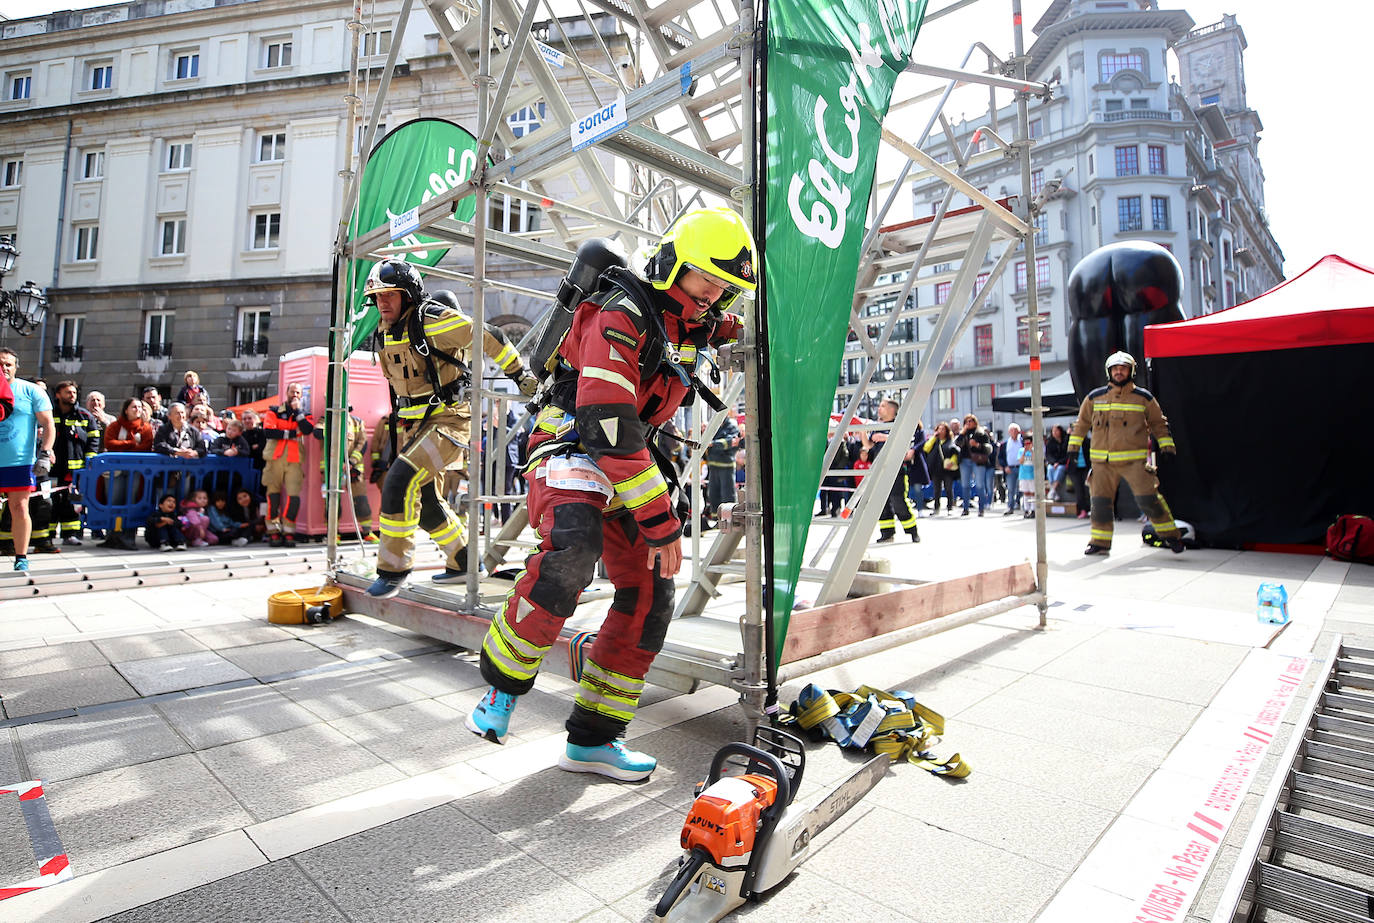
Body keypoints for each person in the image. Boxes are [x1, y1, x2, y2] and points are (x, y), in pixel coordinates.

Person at [466, 206, 752, 782]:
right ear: (673, 266)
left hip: (627, 460)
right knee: (571, 553)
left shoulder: (697, 324)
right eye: (706, 279)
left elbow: (715, 336)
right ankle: (500, 690)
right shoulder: (621, 313)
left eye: (726, 287)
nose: (713, 295)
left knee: (650, 597)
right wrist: (661, 520)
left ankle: (595, 737)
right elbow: (607, 423)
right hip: (573, 441)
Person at [359, 269, 538, 597]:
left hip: (450, 420)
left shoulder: (430, 320)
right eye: (378, 296)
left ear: (408, 294)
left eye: (390, 294)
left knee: (399, 481)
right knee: (426, 505)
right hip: (416, 427)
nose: (382, 302)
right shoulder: (386, 331)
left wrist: (519, 373)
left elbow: (490, 334)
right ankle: (464, 561)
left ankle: (392, 569)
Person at [1069, 351, 1184, 555]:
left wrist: (1167, 446)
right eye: (1115, 369)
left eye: (1123, 368)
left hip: (1134, 462)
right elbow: (1081, 425)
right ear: (1109, 372)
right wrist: (1072, 449)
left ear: (1131, 371)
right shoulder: (1094, 398)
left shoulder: (1144, 398)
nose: (1119, 372)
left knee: (1149, 500)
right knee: (1100, 504)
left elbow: (1158, 423)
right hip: (1101, 462)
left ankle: (1171, 537)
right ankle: (1100, 542)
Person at [0, 348, 55, 571]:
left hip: (19, 461)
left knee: (19, 507)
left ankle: (21, 556)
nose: (3, 368)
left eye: (8, 364)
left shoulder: (31, 391)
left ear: (16, 367)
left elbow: (48, 424)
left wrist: (44, 453)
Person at [260, 383, 314, 547]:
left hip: (294, 459)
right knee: (273, 495)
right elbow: (269, 431)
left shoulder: (304, 414)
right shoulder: (274, 411)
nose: (295, 394)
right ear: (287, 393)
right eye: (292, 391)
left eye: (298, 392)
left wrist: (298, 412)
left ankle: (289, 531)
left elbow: (306, 430)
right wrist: (290, 433)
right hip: (274, 458)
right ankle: (273, 531)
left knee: (293, 497)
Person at [48, 380, 101, 545]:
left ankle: (70, 534)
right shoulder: (49, 414)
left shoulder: (84, 416)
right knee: (49, 503)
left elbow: (94, 440)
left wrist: (89, 461)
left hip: (75, 471)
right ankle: (47, 536)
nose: (72, 396)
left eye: (74, 393)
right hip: (52, 470)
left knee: (72, 503)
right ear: (58, 395)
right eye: (68, 392)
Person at [316, 408, 377, 543]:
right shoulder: (325, 420)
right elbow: (317, 433)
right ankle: (333, 534)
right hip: (331, 469)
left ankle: (367, 532)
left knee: (361, 500)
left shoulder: (357, 422)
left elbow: (363, 443)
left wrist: (350, 462)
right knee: (332, 501)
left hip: (353, 469)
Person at [863, 398, 919, 543]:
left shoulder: (899, 424)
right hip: (879, 470)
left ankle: (912, 531)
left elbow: (905, 441)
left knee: (898, 501)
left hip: (896, 470)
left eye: (882, 406)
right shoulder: (877, 426)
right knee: (881, 503)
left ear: (892, 410)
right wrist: (862, 431)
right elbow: (868, 445)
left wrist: (885, 437)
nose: (879, 409)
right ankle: (887, 533)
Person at [703, 415, 739, 529]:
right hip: (713, 466)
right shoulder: (715, 425)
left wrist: (713, 444)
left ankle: (729, 521)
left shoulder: (732, 426)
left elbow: (730, 442)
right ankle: (718, 520)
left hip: (726, 467)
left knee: (727, 494)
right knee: (713, 495)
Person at [955, 413, 995, 517]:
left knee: (980, 485)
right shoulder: (963, 434)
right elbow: (957, 443)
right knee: (965, 485)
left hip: (978, 460)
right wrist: (962, 433)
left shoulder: (980, 433)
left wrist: (977, 445)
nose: (968, 423)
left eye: (971, 421)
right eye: (966, 422)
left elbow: (989, 448)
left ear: (975, 422)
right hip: (965, 461)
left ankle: (981, 508)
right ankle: (965, 508)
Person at [923, 422, 959, 515]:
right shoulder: (934, 441)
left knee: (948, 488)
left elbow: (955, 452)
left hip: (947, 469)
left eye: (943, 429)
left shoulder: (950, 441)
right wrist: (934, 437)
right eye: (939, 429)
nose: (941, 431)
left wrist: (952, 462)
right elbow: (926, 448)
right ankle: (936, 508)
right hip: (936, 468)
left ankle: (950, 507)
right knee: (936, 489)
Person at [1000, 422, 1023, 515]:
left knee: (1020, 487)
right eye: (1012, 431)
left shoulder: (1022, 442)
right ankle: (1010, 506)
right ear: (1009, 432)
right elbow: (1001, 457)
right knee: (1010, 488)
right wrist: (1005, 466)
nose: (1013, 432)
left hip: (1021, 467)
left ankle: (1018, 502)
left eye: (1015, 431)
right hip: (1010, 468)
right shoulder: (1005, 444)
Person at [1045, 424, 1069, 501]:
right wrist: (1054, 462)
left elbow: (1067, 454)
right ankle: (1054, 490)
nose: (1054, 433)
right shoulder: (1050, 442)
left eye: (1056, 431)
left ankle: (1053, 490)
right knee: (1050, 469)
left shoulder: (1065, 440)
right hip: (1053, 463)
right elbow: (1048, 455)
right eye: (1053, 431)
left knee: (1060, 469)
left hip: (1062, 463)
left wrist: (1059, 462)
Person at [1018, 433, 1037, 517]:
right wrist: (1024, 452)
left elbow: (1035, 461)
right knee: (1026, 493)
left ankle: (1033, 510)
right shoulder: (1021, 451)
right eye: (1025, 444)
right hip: (1023, 475)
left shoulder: (1034, 451)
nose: (1027, 445)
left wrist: (1031, 451)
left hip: (1032, 475)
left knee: (1033, 493)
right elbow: (1021, 461)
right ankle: (1026, 509)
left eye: (1028, 443)